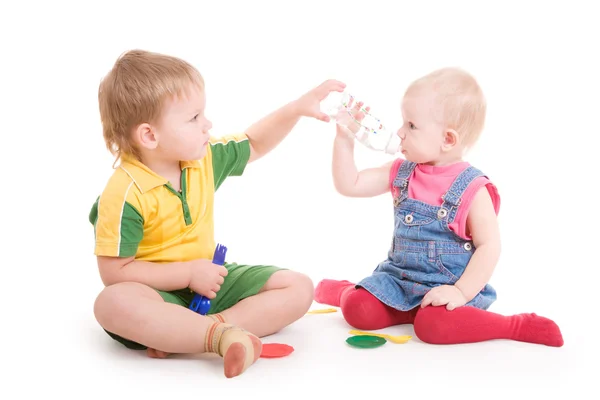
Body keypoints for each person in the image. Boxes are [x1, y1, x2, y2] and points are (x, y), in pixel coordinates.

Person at [89, 49, 346, 378]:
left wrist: (296, 108)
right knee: (111, 303)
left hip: (210, 282)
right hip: (156, 294)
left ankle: (203, 332)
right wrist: (187, 275)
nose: (207, 124)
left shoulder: (202, 160)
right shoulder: (124, 194)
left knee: (297, 287)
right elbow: (115, 273)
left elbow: (254, 143)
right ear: (149, 135)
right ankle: (211, 335)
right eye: (193, 118)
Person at [315, 67, 564, 347]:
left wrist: (459, 293)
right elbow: (351, 184)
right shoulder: (402, 172)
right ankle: (348, 292)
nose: (399, 132)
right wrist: (345, 139)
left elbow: (489, 246)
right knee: (358, 309)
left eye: (411, 125)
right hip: (398, 281)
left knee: (434, 328)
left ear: (447, 139)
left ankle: (513, 326)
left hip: (449, 288)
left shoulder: (473, 189)